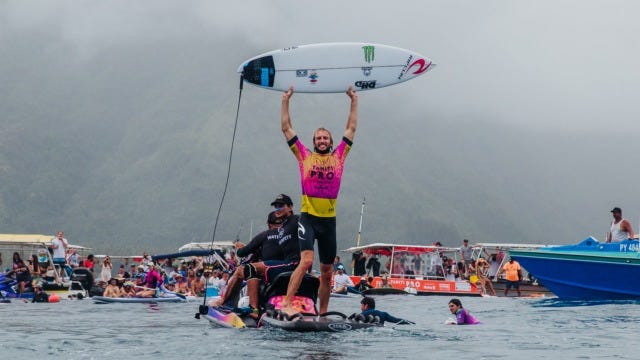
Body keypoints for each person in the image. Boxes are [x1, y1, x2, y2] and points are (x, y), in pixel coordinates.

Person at [280, 85, 358, 316]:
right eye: (318, 138)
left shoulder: (339, 156)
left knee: (326, 272)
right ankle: (286, 304)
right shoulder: (304, 156)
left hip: (329, 222)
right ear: (313, 141)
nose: (322, 140)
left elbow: (351, 127)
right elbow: (286, 128)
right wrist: (286, 100)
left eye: (325, 137)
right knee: (306, 262)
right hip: (309, 218)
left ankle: (322, 313)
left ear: (331, 141)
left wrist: (353, 100)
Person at [213, 195, 301, 314]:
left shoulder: (291, 223)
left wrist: (241, 248)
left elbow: (242, 252)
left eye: (281, 206)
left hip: (288, 266)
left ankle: (249, 308)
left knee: (245, 269)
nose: (278, 209)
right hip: (284, 265)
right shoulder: (284, 229)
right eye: (276, 207)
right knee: (251, 269)